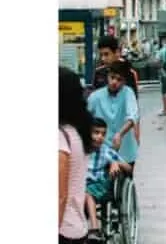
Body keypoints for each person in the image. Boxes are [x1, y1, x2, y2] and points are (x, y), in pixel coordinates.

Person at [59, 66, 93, 244]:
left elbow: (60, 195)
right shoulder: (77, 131)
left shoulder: (60, 136)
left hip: (62, 230)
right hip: (76, 227)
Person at [84, 118, 132, 242]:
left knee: (87, 194)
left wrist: (115, 163)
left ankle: (94, 229)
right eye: (96, 132)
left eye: (103, 134)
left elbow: (129, 168)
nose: (100, 137)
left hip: (99, 185)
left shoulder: (105, 151)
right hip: (82, 184)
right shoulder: (81, 149)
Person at [87, 61, 140, 172]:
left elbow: (133, 116)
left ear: (124, 81)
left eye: (119, 79)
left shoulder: (128, 93)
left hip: (125, 149)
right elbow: (85, 117)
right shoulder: (95, 96)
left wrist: (120, 134)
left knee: (124, 178)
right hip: (102, 150)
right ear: (108, 76)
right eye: (112, 77)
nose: (114, 82)